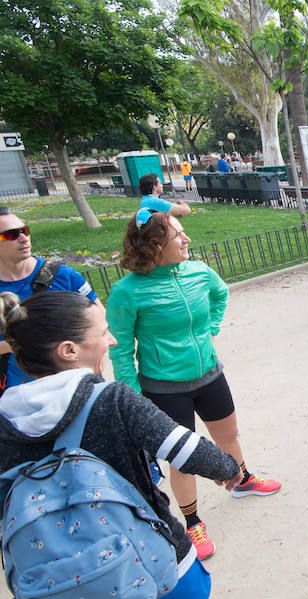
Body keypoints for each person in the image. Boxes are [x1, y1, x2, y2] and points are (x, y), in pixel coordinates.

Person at [0, 290, 244, 597]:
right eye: (102, 333)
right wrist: (228, 468)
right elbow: (187, 449)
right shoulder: (112, 399)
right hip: (151, 561)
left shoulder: (5, 418)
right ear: (69, 350)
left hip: (58, 578)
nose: (112, 341)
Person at [105, 211, 281, 561]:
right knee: (182, 459)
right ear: (155, 245)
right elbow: (120, 348)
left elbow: (220, 293)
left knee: (228, 437)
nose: (187, 240)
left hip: (210, 376)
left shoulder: (198, 271)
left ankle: (242, 480)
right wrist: (133, 398)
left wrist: (212, 326)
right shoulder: (127, 292)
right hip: (164, 388)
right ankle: (192, 521)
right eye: (178, 235)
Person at [0, 208, 102, 392]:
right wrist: (18, 343)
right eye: (10, 235)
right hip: (21, 394)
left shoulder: (63, 275)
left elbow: (99, 316)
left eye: (25, 231)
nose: (23, 238)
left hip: (77, 385)